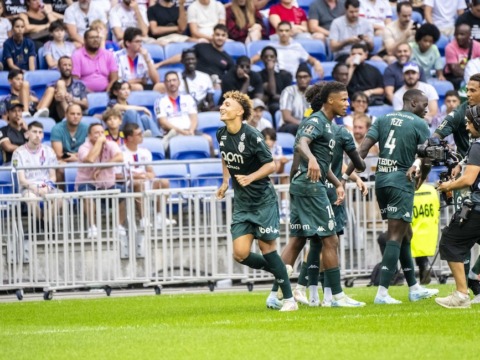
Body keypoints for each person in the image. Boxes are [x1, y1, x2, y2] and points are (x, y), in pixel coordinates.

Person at [274, 81, 367, 307]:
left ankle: (285, 293)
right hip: (314, 186)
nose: (348, 104)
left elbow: (310, 161)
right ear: (329, 100)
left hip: (312, 184)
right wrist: (339, 175)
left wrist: (340, 181)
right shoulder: (319, 124)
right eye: (344, 99)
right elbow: (303, 149)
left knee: (304, 240)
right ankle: (333, 295)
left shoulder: (326, 127)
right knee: (328, 239)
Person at [345, 88, 439, 304]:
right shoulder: (419, 124)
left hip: (382, 181)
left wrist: (345, 175)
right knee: (395, 235)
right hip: (400, 181)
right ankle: (382, 293)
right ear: (413, 102)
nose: (426, 109)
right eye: (424, 105)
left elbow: (363, 150)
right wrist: (421, 180)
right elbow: (426, 159)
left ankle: (414, 287)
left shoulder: (383, 119)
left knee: (406, 234)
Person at [215, 90, 298, 312]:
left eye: (227, 104)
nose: (222, 107)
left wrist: (250, 177)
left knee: (266, 248)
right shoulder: (221, 134)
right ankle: (280, 270)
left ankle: (290, 300)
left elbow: (270, 165)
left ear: (240, 111)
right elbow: (225, 156)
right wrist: (225, 182)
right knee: (240, 254)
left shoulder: (252, 135)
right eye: (223, 103)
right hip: (243, 203)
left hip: (262, 200)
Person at [433, 73, 480, 300]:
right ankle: (472, 283)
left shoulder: (477, 145)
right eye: (467, 89)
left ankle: (468, 284)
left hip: (472, 190)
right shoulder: (461, 112)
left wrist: (449, 184)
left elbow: (470, 177)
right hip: (469, 189)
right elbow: (436, 136)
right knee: (465, 237)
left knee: (454, 240)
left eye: (473, 90)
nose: (467, 94)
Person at [119, 123, 175, 228]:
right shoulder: (121, 153)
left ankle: (160, 216)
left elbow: (151, 172)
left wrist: (146, 175)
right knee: (139, 184)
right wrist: (136, 176)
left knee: (164, 182)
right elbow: (119, 175)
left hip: (144, 179)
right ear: (130, 138)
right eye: (139, 134)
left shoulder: (144, 152)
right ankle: (143, 218)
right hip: (128, 183)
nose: (142, 136)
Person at [76, 123, 126, 239]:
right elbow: (90, 159)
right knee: (87, 193)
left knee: (123, 191)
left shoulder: (111, 144)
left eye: (102, 132)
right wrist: (99, 142)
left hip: (107, 185)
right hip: (89, 184)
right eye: (96, 133)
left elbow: (120, 157)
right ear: (89, 135)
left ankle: (119, 226)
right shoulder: (83, 147)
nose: (100, 135)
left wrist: (101, 167)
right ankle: (92, 227)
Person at [12, 121, 61, 224]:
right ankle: (40, 223)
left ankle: (44, 223)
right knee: (32, 199)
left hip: (46, 186)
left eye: (40, 132)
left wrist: (46, 187)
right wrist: (36, 189)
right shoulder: (18, 152)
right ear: (27, 134)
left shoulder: (49, 151)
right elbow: (22, 180)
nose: (37, 135)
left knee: (61, 197)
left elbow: (53, 177)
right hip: (28, 188)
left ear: (43, 135)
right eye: (34, 132)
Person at [154, 71, 214, 155]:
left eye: (174, 80)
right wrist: (182, 132)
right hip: (171, 132)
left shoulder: (188, 98)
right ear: (165, 83)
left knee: (209, 140)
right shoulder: (160, 101)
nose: (172, 83)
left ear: (179, 82)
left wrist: (191, 130)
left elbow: (194, 117)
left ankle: (211, 164)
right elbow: (163, 122)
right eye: (169, 81)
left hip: (190, 130)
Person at [156, 24, 234, 84]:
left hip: (213, 84)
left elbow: (231, 78)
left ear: (226, 37)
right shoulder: (202, 47)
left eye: (223, 35)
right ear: (212, 35)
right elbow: (182, 57)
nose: (220, 38)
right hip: (193, 80)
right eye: (217, 35)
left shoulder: (228, 59)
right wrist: (159, 64)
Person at [251, 21, 324, 80]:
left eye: (286, 31)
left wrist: (316, 63)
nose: (284, 33)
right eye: (281, 31)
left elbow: (310, 59)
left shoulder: (296, 46)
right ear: (277, 32)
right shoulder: (270, 47)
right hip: (276, 81)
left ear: (290, 32)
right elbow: (253, 59)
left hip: (294, 81)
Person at [114, 27, 162, 92]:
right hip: (125, 88)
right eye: (137, 41)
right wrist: (140, 80)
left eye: (141, 41)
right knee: (138, 87)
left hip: (143, 86)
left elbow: (156, 81)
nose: (140, 44)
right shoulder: (117, 56)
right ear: (128, 43)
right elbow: (118, 81)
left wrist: (147, 60)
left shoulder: (145, 54)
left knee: (160, 87)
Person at [71, 28, 119, 93]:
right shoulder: (77, 55)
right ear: (85, 40)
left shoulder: (108, 54)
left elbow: (114, 77)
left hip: (106, 92)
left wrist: (108, 91)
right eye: (92, 38)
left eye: (97, 37)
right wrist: (91, 94)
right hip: (84, 94)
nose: (95, 40)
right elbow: (75, 79)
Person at [257, 45, 292, 117]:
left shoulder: (285, 75)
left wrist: (276, 97)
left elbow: (288, 96)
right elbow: (272, 92)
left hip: (283, 104)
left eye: (272, 57)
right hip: (268, 105)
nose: (269, 59)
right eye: (266, 57)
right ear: (262, 59)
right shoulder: (258, 75)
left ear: (276, 59)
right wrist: (270, 71)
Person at [444, 23, 480, 90]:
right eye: (456, 34)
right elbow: (455, 71)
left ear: (469, 35)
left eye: (462, 34)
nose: (458, 37)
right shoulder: (450, 47)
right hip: (454, 77)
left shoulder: (477, 46)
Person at [277, 63, 311, 135]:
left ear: (310, 78)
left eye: (305, 77)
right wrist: (303, 125)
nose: (302, 79)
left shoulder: (314, 92)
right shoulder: (289, 91)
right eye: (299, 77)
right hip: (288, 126)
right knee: (295, 128)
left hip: (309, 126)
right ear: (296, 79)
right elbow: (286, 117)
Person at [0, 99, 28, 164]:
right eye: (13, 111)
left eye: (19, 111)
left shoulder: (26, 130)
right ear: (7, 113)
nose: (17, 114)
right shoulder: (3, 130)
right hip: (11, 163)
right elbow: (8, 147)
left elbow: (36, 145)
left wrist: (27, 129)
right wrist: (27, 149)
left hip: (28, 162)